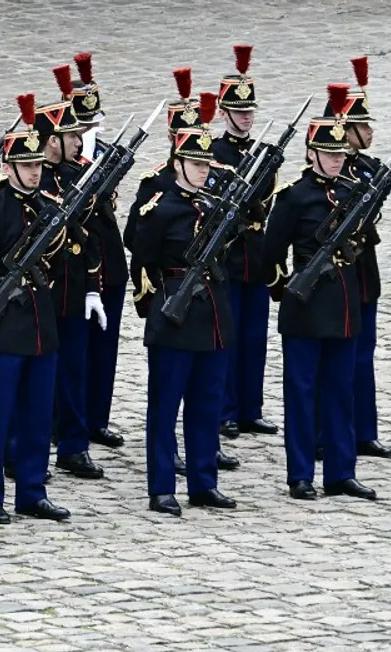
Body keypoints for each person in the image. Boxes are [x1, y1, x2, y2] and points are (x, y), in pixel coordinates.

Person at [0, 93, 72, 524]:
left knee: (38, 415)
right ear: (7, 168)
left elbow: (59, 263)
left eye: (38, 165)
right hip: (2, 327)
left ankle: (32, 490)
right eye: (26, 166)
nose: (34, 172)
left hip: (40, 324)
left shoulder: (48, 209)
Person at [263, 85, 375, 503]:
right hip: (306, 310)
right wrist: (287, 291)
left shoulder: (350, 192)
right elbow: (270, 255)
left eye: (340, 156)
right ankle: (301, 474)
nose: (336, 161)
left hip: (343, 306)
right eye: (329, 155)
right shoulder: (294, 198)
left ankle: (341, 471)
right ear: (311, 153)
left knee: (341, 391)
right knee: (302, 391)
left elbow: (365, 245)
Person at [125, 68, 239, 475]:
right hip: (174, 304)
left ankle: (204, 477)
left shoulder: (213, 201)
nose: (204, 168)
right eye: (195, 161)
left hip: (210, 309)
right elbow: (140, 257)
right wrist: (152, 305)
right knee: (167, 398)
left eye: (206, 161)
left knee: (207, 398)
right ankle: (161, 478)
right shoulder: (159, 204)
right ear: (177, 160)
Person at [35, 73, 106, 481]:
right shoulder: (33, 180)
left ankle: (73, 446)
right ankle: (30, 444)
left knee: (75, 369)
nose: (79, 142)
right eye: (70, 136)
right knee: (39, 374)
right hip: (44, 290)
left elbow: (90, 236)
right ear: (50, 141)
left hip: (74, 290)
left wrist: (93, 288)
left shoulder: (76, 175)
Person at [214, 46, 279, 440]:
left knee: (255, 337)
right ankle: (225, 409)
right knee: (229, 336)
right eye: (239, 112)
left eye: (250, 111)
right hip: (229, 256)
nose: (246, 117)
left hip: (257, 256)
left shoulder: (260, 153)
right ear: (224, 113)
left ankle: (250, 407)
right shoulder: (215, 153)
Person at [337, 57, 391, 459]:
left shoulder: (371, 169)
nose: (371, 131)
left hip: (364, 271)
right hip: (337, 273)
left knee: (364, 351)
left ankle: (364, 428)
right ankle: (332, 431)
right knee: (338, 356)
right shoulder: (335, 172)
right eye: (364, 125)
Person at [70, 52, 128, 450]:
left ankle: (98, 416)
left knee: (104, 346)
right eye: (82, 122)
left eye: (93, 121)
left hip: (108, 256)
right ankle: (69, 419)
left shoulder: (104, 151)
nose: (90, 128)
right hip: (75, 259)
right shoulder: (64, 157)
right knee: (75, 350)